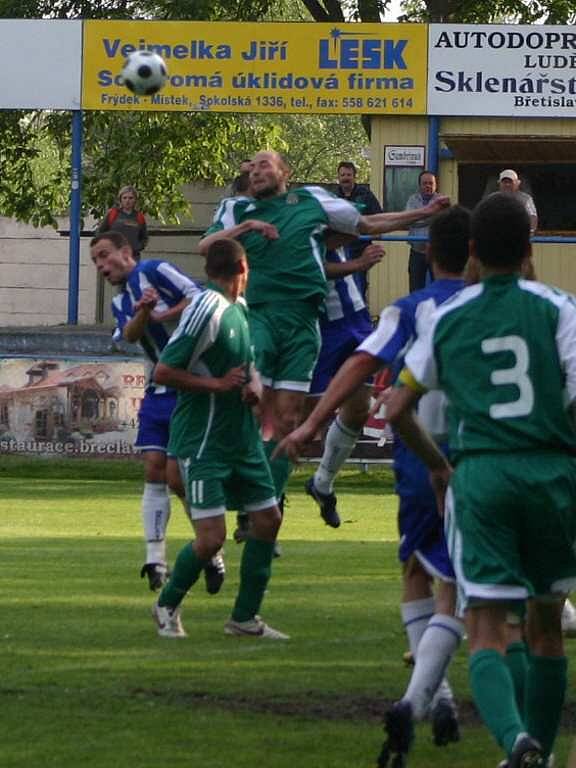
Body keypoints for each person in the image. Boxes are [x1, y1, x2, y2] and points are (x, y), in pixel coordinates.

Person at [384, 193, 576, 768]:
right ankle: (536, 754)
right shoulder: (559, 307)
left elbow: (396, 408)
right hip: (552, 473)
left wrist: (439, 466)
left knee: (486, 627)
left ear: (472, 250)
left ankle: (517, 740)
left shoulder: (447, 317)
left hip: (482, 475)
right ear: (529, 248)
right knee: (547, 627)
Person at [275, 208, 470, 765]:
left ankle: (427, 698)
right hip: (490, 460)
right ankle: (437, 698)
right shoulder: (507, 307)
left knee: (419, 572)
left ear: (428, 254)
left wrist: (313, 423)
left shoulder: (412, 310)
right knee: (464, 586)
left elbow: (361, 362)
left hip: (423, 459)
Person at [199, 150, 449, 514]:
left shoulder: (312, 202)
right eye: (251, 168)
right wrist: (352, 263)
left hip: (327, 317)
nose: (255, 172)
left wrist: (422, 214)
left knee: (323, 412)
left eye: (263, 165)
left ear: (286, 172)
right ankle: (250, 486)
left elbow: (363, 225)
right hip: (281, 318)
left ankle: (297, 492)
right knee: (269, 410)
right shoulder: (240, 214)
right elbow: (209, 248)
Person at [151, 237, 287, 640]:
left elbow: (247, 371)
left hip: (241, 440)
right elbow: (164, 371)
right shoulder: (205, 308)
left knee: (268, 519)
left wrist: (255, 392)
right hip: (205, 440)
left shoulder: (239, 310)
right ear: (243, 270)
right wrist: (215, 384)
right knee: (211, 538)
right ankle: (166, 605)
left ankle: (245, 618)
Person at [90, 232, 225, 595]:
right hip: (157, 388)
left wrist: (165, 311)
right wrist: (147, 312)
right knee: (152, 467)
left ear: (126, 252)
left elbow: (199, 297)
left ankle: (211, 551)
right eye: (95, 262)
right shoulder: (122, 302)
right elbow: (130, 335)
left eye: (104, 256)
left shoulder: (155, 269)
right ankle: (155, 560)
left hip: (187, 384)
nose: (102, 266)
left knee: (178, 478)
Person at [305, 241, 384, 528]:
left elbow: (363, 224)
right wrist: (360, 263)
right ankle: (263, 505)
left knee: (359, 407)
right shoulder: (293, 222)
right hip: (318, 326)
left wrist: (421, 215)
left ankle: (322, 483)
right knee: (303, 420)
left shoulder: (326, 209)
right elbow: (311, 267)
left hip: (355, 319)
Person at [336, 161, 383, 299]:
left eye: (349, 175)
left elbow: (378, 215)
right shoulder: (333, 197)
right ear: (338, 178)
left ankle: (359, 317)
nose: (345, 178)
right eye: (342, 175)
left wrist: (376, 232)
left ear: (354, 177)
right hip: (340, 250)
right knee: (341, 289)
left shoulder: (365, 194)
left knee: (358, 287)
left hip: (360, 249)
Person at [405, 171, 441, 293]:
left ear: (435, 185)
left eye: (431, 183)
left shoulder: (441, 201)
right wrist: (431, 216)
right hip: (417, 251)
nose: (428, 186)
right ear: (419, 185)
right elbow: (409, 220)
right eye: (425, 183)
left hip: (436, 252)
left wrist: (418, 216)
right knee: (415, 288)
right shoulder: (412, 200)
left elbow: (442, 222)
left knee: (439, 287)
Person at [98, 185, 149, 261]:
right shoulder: (112, 214)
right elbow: (99, 233)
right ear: (120, 199)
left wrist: (138, 247)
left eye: (130, 198)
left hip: (132, 258)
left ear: (135, 200)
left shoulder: (139, 217)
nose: (127, 201)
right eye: (124, 198)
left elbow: (144, 236)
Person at [497, 169, 538, 235]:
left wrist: (531, 231)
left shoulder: (526, 199)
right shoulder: (492, 199)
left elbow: (533, 216)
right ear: (499, 184)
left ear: (517, 183)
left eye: (510, 182)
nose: (507, 184)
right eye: (504, 182)